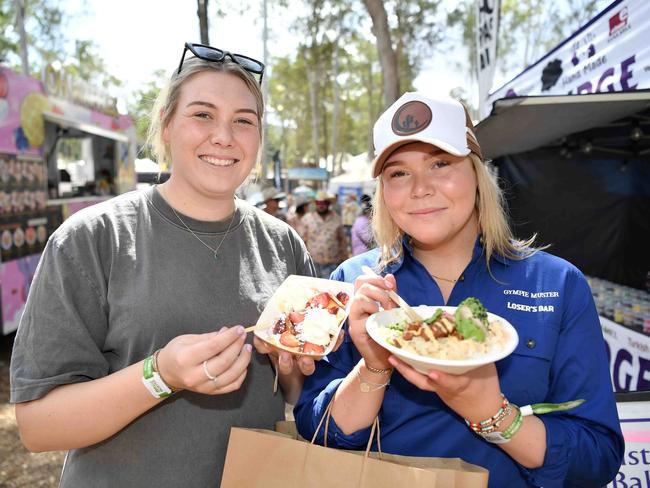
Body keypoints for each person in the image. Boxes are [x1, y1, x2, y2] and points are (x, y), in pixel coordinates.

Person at [10, 43, 318, 487]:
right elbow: (39, 426)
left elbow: (296, 394)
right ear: (166, 126)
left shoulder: (283, 244)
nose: (224, 136)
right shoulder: (92, 239)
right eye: (202, 114)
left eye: (243, 121)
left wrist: (291, 367)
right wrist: (161, 375)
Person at [294, 92, 624, 487]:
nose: (420, 188)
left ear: (477, 171)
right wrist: (375, 365)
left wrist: (493, 414)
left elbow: (597, 458)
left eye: (440, 163)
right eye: (399, 173)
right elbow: (317, 433)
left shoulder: (556, 284)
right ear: (383, 191)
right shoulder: (354, 283)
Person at [302, 190, 349, 278]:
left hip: (332, 263)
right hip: (312, 263)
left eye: (324, 203)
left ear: (328, 204)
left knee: (329, 289)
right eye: (318, 203)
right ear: (315, 203)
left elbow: (342, 240)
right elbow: (302, 240)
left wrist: (344, 259)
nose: (321, 205)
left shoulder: (337, 219)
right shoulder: (307, 219)